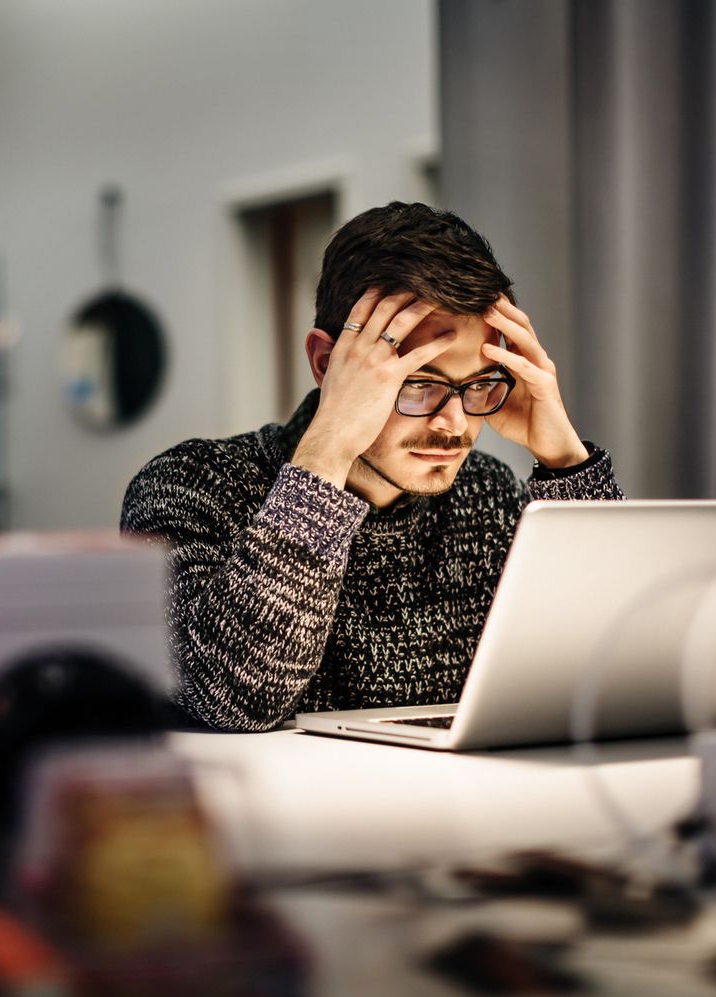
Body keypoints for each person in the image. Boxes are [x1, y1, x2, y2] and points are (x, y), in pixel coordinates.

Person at [120, 203, 623, 731]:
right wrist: (330, 447)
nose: (454, 423)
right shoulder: (190, 485)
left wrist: (567, 463)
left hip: (464, 806)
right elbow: (233, 703)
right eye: (419, 382)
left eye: (477, 384)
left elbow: (615, 668)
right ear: (325, 364)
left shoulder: (489, 495)